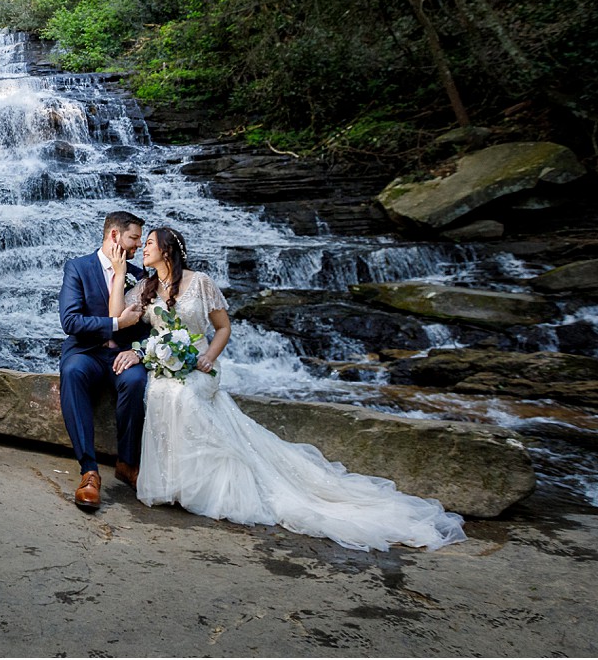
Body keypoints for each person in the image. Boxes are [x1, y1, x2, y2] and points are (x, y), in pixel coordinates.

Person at [114, 225, 467, 551]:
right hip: (165, 367)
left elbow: (223, 327)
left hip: (200, 366)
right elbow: (117, 317)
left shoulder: (200, 282)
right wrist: (118, 276)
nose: (143, 248)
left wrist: (208, 355)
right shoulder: (145, 288)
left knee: (186, 394)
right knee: (162, 391)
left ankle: (206, 486)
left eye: (149, 243)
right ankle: (175, 485)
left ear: (168, 250)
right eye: (142, 243)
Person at [57, 210, 149, 511]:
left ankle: (127, 463)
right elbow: (70, 321)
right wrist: (115, 325)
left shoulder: (139, 276)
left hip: (123, 355)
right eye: (134, 238)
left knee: (135, 382)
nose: (138, 245)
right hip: (87, 352)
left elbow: (152, 328)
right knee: (72, 372)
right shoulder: (78, 268)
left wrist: (137, 351)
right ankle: (89, 471)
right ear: (114, 235)